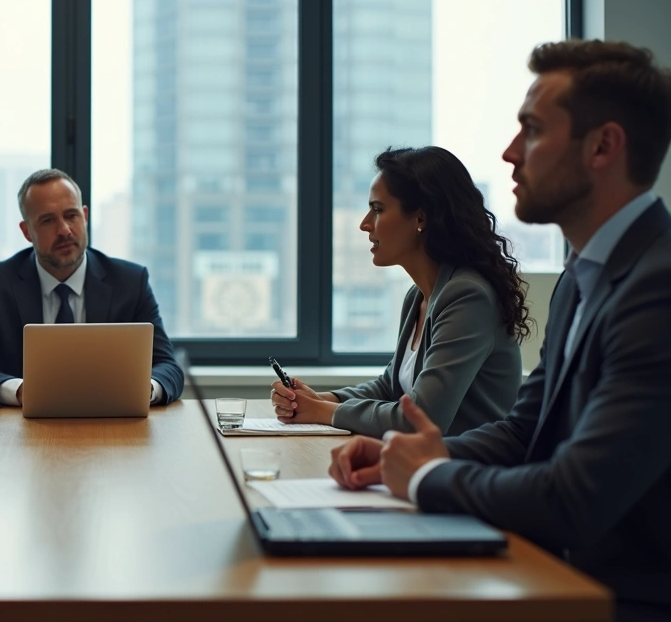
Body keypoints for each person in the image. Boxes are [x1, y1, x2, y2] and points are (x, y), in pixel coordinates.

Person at [329, 40, 671, 622]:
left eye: (532, 131)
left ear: (603, 146)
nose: (510, 153)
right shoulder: (580, 278)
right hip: (556, 573)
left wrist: (429, 476)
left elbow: (573, 498)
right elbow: (523, 431)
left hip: (618, 599)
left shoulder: (658, 290)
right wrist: (400, 454)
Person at [272, 146, 529, 437]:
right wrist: (322, 400)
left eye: (378, 209)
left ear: (420, 218)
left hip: (471, 473)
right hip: (429, 466)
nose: (365, 224)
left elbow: (419, 419)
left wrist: (322, 412)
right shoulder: (418, 296)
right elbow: (390, 387)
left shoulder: (467, 296)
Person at [0, 168, 183, 406]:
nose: (64, 230)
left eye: (71, 215)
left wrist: (146, 389)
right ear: (27, 231)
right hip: (23, 432)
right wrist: (20, 391)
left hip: (113, 429)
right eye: (48, 220)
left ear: (85, 216)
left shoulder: (130, 282)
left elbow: (168, 367)